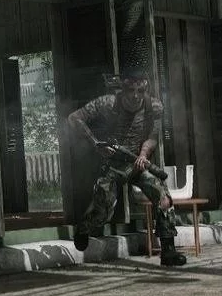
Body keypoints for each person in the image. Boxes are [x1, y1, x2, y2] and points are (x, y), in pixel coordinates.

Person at [68, 71, 187, 267]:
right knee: (103, 210)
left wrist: (143, 155)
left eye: (141, 90)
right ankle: (84, 228)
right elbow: (74, 118)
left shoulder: (154, 107)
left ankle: (168, 251)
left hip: (137, 164)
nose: (136, 95)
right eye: (131, 90)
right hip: (113, 164)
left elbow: (153, 136)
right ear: (123, 89)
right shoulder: (107, 103)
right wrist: (95, 143)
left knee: (163, 197)